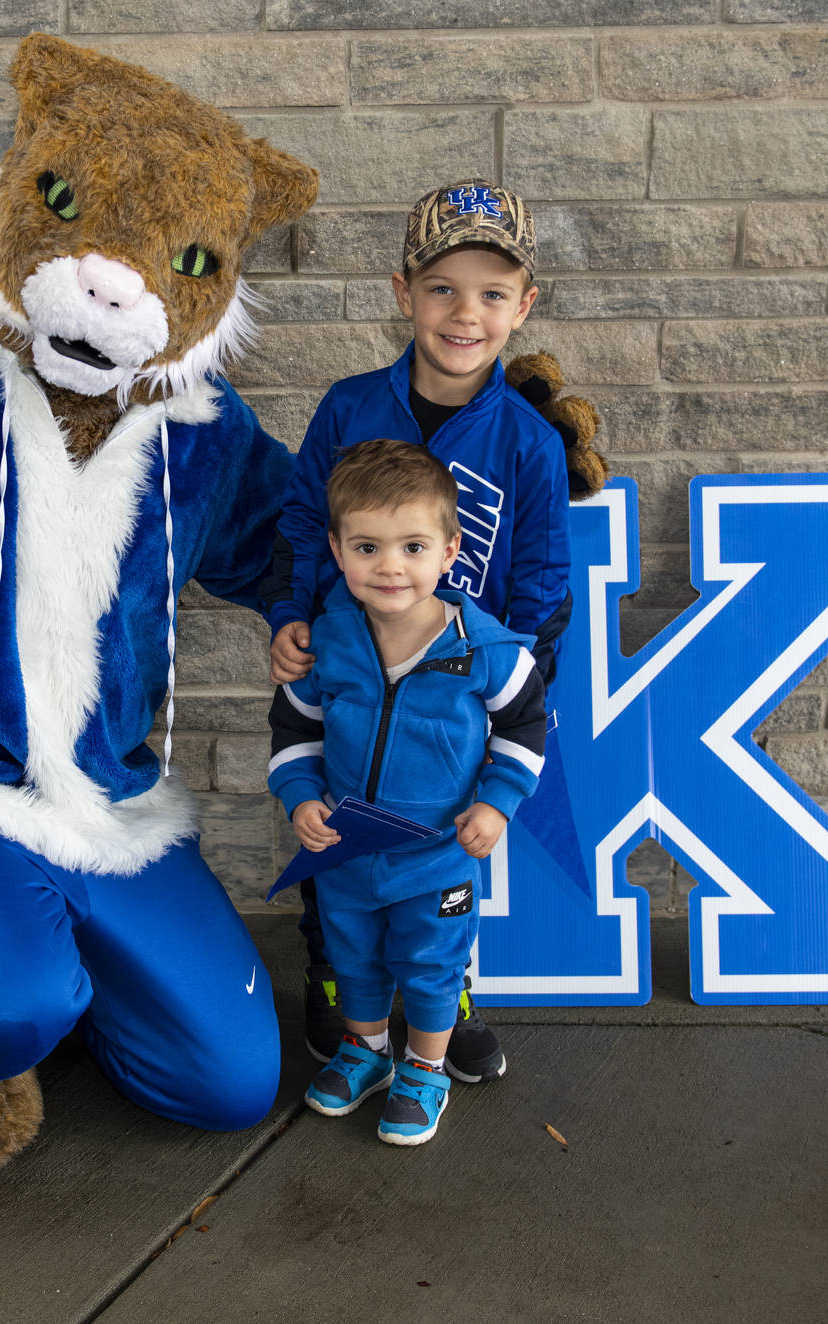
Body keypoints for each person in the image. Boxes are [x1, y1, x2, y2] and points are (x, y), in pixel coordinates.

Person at [262, 178, 570, 1078]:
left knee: (440, 848)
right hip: (351, 679)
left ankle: (444, 995)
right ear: (402, 292)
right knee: (336, 825)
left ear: (523, 305)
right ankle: (335, 982)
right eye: (440, 287)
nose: (463, 312)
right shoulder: (350, 407)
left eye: (490, 291)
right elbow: (298, 528)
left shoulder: (527, 440)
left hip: (452, 695)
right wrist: (289, 618)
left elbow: (544, 576)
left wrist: (509, 674)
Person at [267, 440, 547, 1144]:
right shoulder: (326, 644)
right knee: (353, 957)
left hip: (437, 853)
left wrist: (497, 801)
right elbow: (294, 729)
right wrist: (301, 796)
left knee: (429, 965)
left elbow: (524, 724)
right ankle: (367, 1052)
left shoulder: (485, 651)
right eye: (366, 546)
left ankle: (427, 1067)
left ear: (449, 550)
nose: (389, 566)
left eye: (412, 546)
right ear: (336, 550)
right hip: (346, 850)